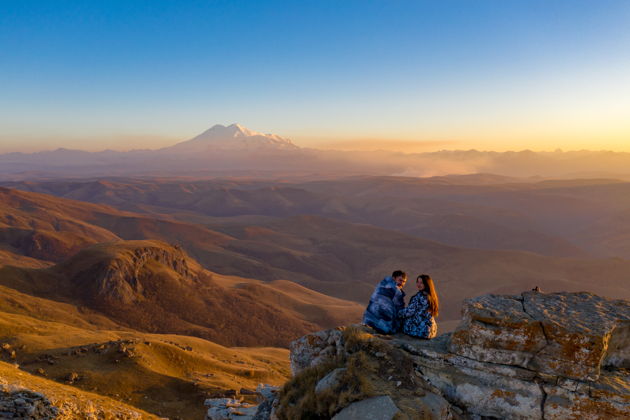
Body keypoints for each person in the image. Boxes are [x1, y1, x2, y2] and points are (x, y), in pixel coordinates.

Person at [398, 274, 439, 339]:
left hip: (419, 330)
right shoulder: (431, 296)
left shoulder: (420, 297)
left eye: (421, 283)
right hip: (430, 331)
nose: (418, 284)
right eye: (418, 282)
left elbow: (409, 312)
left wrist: (397, 313)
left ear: (426, 284)